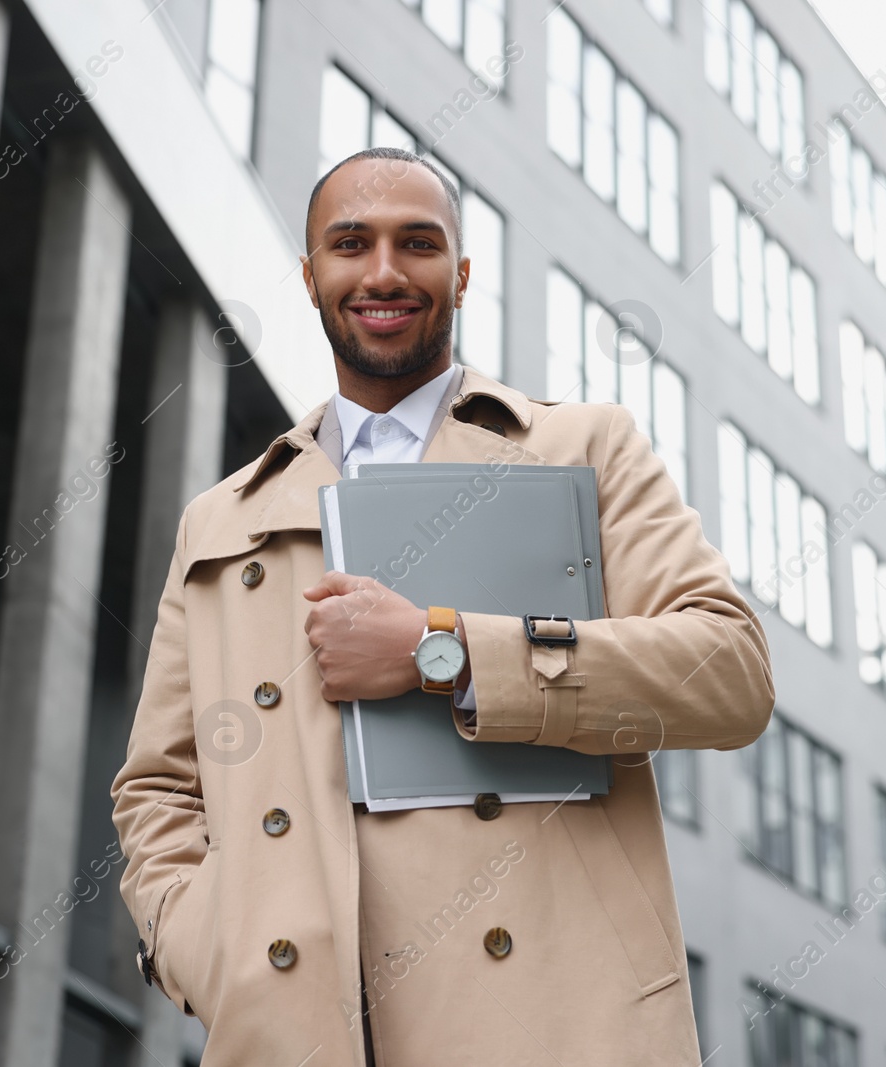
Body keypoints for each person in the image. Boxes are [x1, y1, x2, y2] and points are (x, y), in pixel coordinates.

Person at [111, 146, 774, 1066]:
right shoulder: (223, 520)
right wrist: (209, 951)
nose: (384, 272)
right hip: (299, 1033)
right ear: (310, 276)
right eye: (351, 244)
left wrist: (446, 651)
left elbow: (730, 673)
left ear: (459, 273)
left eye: (417, 243)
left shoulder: (583, 447)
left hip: (545, 1023)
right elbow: (158, 786)